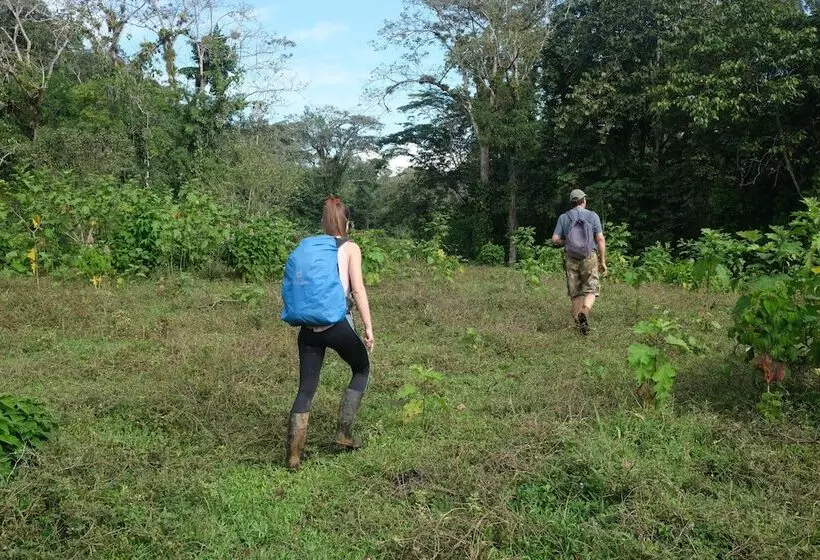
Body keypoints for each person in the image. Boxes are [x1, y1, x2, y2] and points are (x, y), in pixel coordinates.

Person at [285, 197, 375, 470]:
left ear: (323, 223)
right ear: (347, 223)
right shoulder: (350, 247)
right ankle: (343, 433)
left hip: (308, 329)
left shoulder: (308, 247)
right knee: (361, 368)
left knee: (306, 388)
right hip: (337, 325)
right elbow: (357, 290)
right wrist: (368, 327)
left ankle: (294, 456)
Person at [551, 189, 607, 335]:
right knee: (592, 288)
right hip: (589, 256)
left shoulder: (564, 217)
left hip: (571, 258)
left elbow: (555, 240)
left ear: (572, 202)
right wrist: (602, 261)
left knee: (576, 292)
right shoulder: (593, 216)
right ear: (584, 200)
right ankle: (585, 310)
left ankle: (579, 326)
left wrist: (568, 241)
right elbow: (600, 239)